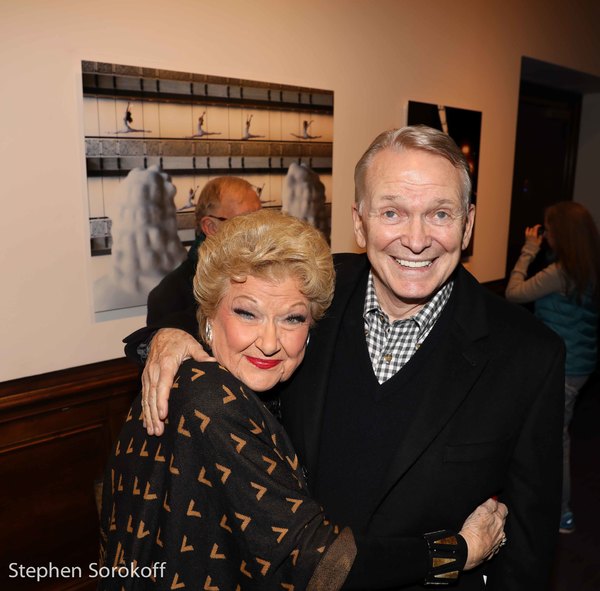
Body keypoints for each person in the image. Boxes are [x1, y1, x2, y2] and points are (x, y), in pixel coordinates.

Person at [126, 125, 563, 589]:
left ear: (468, 223)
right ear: (360, 222)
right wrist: (164, 336)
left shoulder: (529, 356)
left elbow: (528, 553)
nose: (416, 240)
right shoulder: (308, 294)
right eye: (392, 212)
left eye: (439, 214)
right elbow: (217, 309)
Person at [100, 210, 505, 590]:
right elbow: (319, 561)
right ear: (206, 317)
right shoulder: (212, 401)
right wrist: (460, 551)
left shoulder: (215, 381)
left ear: (311, 328)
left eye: (292, 318)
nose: (270, 341)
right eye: (247, 313)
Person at [505, 201, 600, 534]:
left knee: (556, 439)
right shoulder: (589, 267)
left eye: (549, 228)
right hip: (582, 365)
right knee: (548, 433)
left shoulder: (559, 273)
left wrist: (529, 250)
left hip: (563, 367)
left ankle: (561, 513)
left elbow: (514, 293)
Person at [144, 176, 261, 326]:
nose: (260, 228)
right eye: (246, 221)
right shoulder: (171, 296)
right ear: (211, 227)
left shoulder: (270, 271)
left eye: (262, 218)